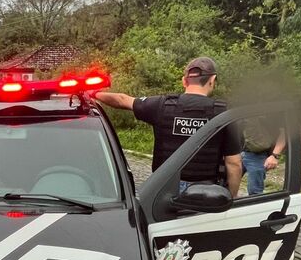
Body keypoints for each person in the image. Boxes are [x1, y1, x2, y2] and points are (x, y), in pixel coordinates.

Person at [94, 56, 243, 195]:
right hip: (204, 193)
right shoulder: (224, 113)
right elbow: (234, 163)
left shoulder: (161, 105)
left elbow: (122, 100)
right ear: (212, 80)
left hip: (163, 191)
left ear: (184, 81)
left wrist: (94, 94)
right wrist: (232, 198)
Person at [241, 119, 286, 196]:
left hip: (258, 155)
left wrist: (274, 156)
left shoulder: (273, 110)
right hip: (234, 152)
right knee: (224, 189)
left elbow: (285, 133)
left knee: (255, 192)